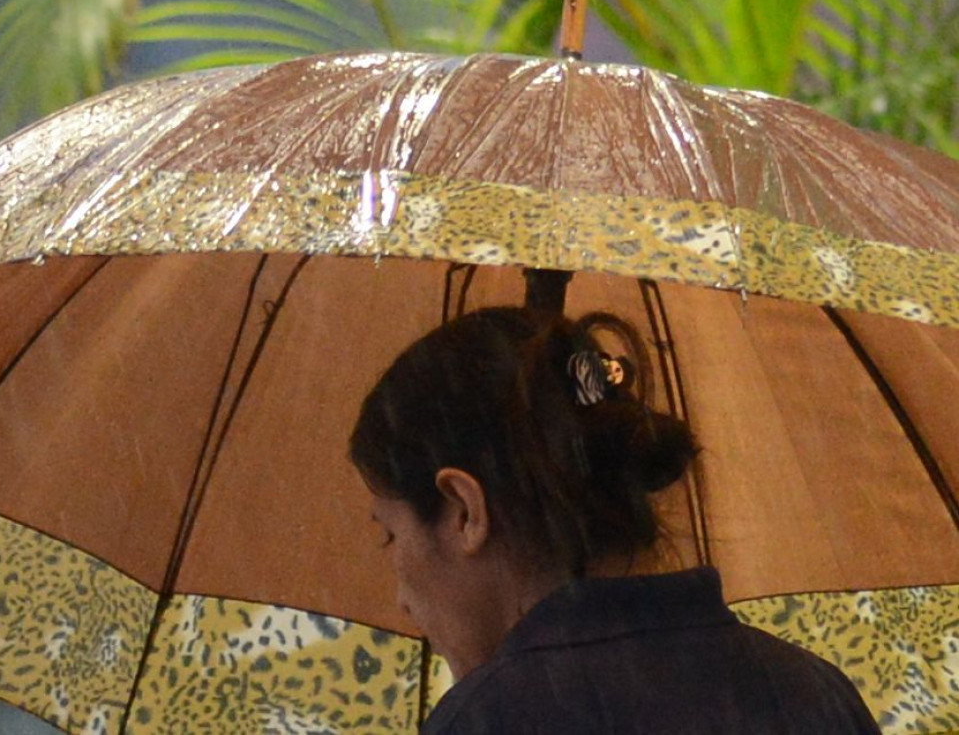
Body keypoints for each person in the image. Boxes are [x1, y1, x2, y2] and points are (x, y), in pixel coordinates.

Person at [348, 305, 880, 734]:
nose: (401, 599)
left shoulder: (488, 718)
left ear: (465, 510)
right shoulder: (815, 695)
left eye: (391, 534)